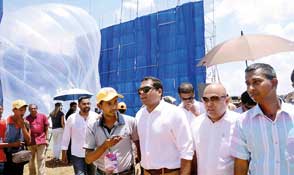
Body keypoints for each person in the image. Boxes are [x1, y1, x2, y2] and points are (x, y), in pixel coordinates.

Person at [231, 63, 294, 175]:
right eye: (247, 84)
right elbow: (241, 164)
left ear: (274, 82)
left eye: (256, 82)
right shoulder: (242, 122)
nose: (250, 88)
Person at [136, 76, 194, 175]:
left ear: (159, 91)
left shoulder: (174, 113)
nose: (142, 93)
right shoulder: (139, 115)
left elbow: (186, 150)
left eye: (146, 90)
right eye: (139, 91)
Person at [84, 87, 139, 175]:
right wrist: (105, 146)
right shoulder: (92, 126)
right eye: (109, 103)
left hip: (127, 172)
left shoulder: (130, 122)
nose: (114, 107)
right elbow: (88, 159)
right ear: (99, 106)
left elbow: (138, 145)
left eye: (115, 102)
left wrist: (138, 163)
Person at [191, 83, 239, 175]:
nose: (209, 104)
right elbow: (194, 157)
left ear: (227, 100)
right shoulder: (196, 123)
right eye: (205, 100)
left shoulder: (239, 123)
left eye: (214, 99)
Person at [61, 96, 98, 175]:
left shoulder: (96, 117)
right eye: (84, 104)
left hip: (92, 152)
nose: (87, 105)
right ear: (79, 105)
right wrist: (64, 152)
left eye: (88, 103)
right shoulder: (72, 118)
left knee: (92, 173)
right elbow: (66, 135)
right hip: (77, 153)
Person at [3, 99, 31, 175]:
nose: (23, 112)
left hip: (19, 157)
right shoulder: (5, 122)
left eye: (24, 110)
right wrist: (13, 144)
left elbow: (28, 142)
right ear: (14, 110)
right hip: (6, 157)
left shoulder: (26, 123)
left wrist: (23, 127)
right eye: (21, 110)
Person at [26, 104, 49, 175]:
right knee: (30, 162)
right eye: (31, 109)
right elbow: (25, 130)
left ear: (37, 108)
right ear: (29, 110)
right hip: (30, 143)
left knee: (41, 160)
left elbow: (46, 128)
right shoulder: (26, 119)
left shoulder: (43, 116)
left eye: (34, 108)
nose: (33, 110)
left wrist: (47, 139)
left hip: (41, 141)